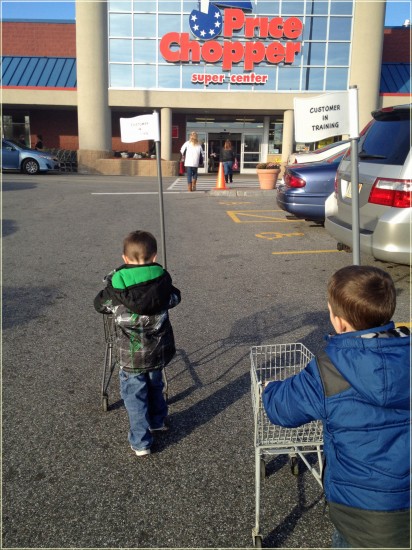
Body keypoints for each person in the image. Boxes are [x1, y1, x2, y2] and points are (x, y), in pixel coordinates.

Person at [263, 265, 410, 549]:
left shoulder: (329, 371)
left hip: (360, 510)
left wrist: (270, 389)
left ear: (338, 322)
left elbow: (283, 410)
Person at [94, 230, 181, 457]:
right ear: (154, 257)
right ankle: (158, 421)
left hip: (130, 355)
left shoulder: (116, 288)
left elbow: (100, 305)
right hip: (157, 351)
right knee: (155, 385)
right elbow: (175, 298)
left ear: (125, 259)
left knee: (134, 396)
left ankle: (141, 442)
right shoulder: (162, 282)